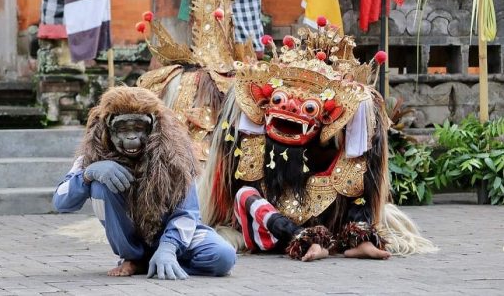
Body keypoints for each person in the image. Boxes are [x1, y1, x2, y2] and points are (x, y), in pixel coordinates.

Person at [199, 21, 437, 261]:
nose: (291, 108)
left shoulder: (350, 127)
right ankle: (305, 239)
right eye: (280, 100)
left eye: (309, 107)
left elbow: (359, 169)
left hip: (330, 213)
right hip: (270, 222)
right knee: (246, 196)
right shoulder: (252, 132)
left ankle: (359, 238)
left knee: (355, 168)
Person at [53, 87, 236, 279]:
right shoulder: (93, 153)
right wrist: (88, 174)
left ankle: (158, 261)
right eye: (123, 129)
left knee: (223, 257)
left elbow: (188, 212)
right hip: (131, 235)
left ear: (153, 127)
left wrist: (169, 247)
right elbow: (61, 202)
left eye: (138, 129)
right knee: (100, 186)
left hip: (171, 232)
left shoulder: (175, 153)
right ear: (108, 128)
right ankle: (132, 257)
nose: (132, 137)